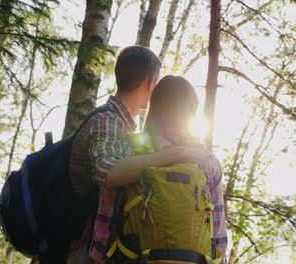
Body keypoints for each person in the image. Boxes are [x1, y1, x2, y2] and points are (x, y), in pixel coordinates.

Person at [67, 46, 213, 264]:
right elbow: (109, 175)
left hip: (97, 245)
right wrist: (175, 154)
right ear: (150, 83)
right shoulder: (108, 122)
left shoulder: (128, 134)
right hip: (80, 240)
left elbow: (112, 202)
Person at [143, 75, 227, 260]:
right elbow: (217, 226)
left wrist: (98, 253)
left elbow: (110, 209)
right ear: (191, 111)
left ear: (154, 107)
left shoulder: (134, 149)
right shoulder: (207, 160)